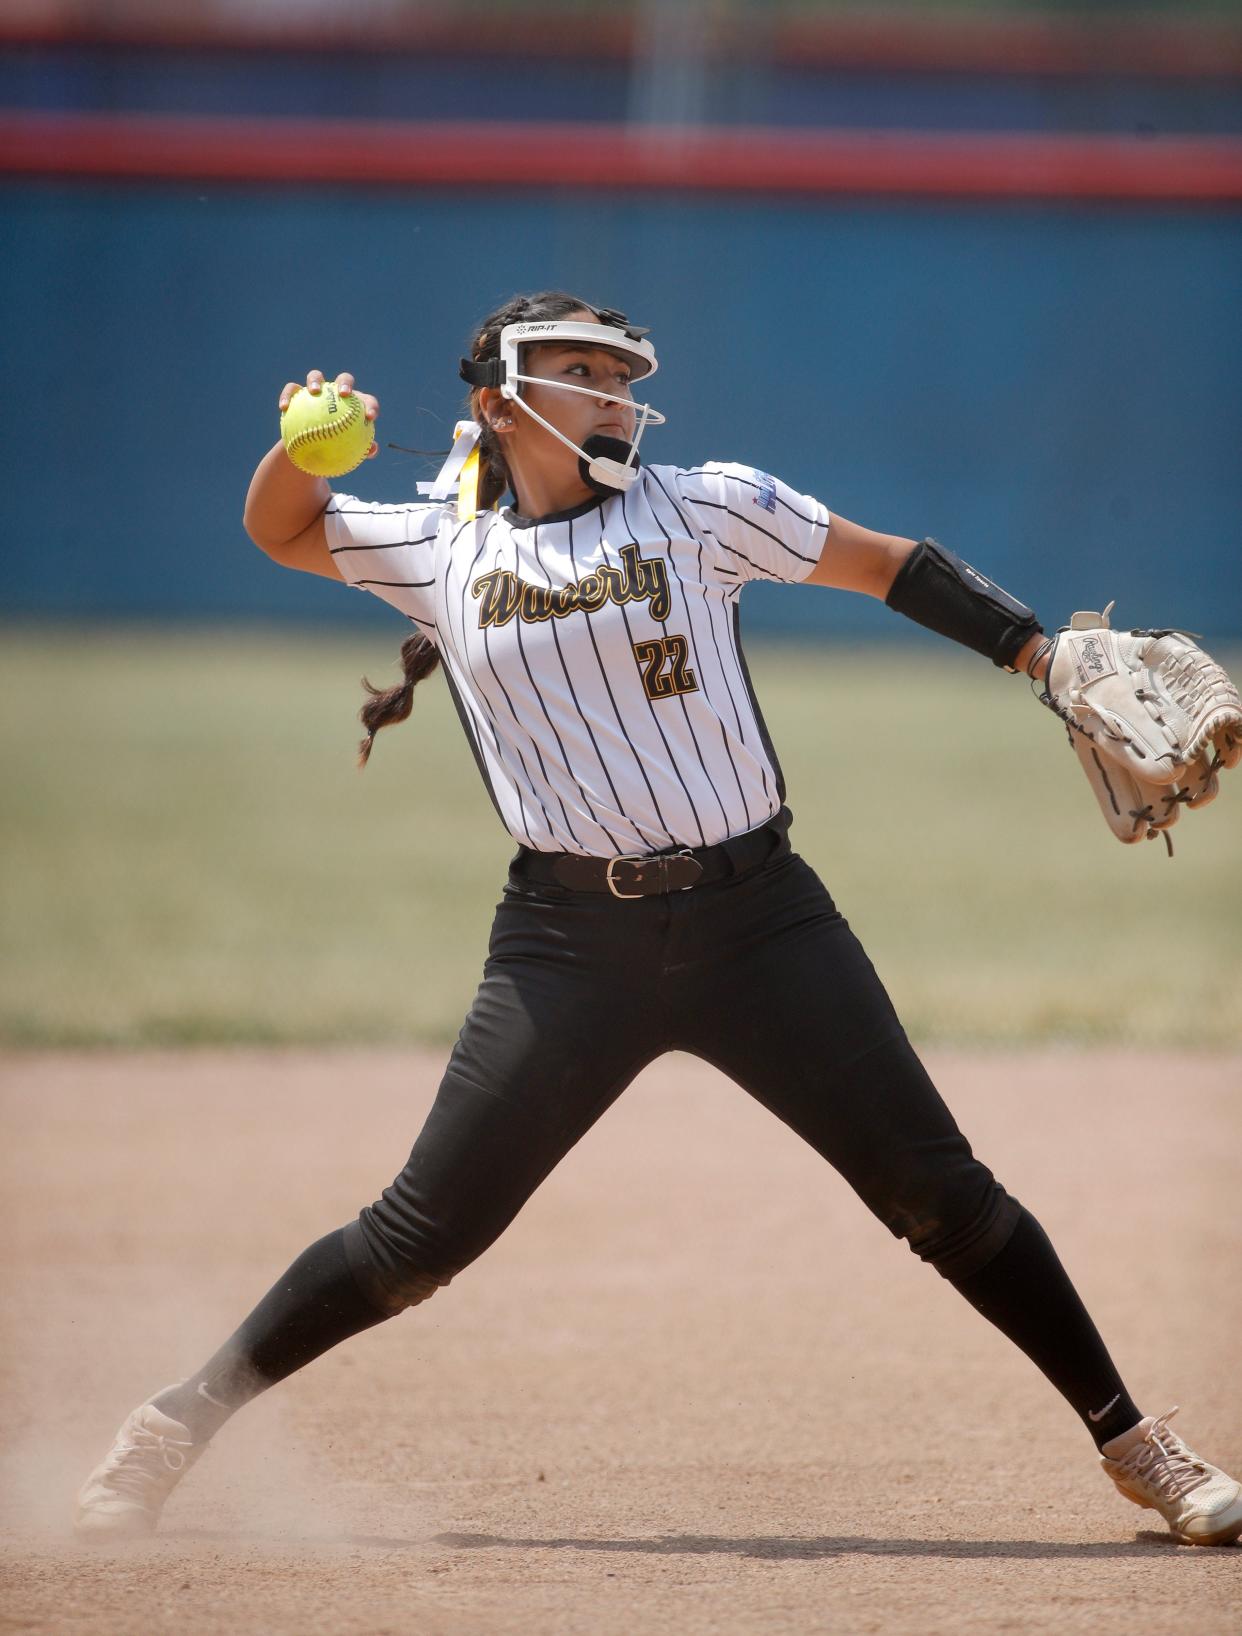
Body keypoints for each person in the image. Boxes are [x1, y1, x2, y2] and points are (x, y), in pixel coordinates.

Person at [76, 291, 1241, 1548]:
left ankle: (1139, 1447)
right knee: (416, 1239)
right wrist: (301, 448)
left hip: (760, 923)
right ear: (497, 405)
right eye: (579, 371)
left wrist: (1037, 656)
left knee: (939, 1195)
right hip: (568, 951)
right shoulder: (436, 546)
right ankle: (176, 1420)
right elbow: (280, 527)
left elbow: (887, 562)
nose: (614, 394)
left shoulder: (703, 505)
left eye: (622, 374)